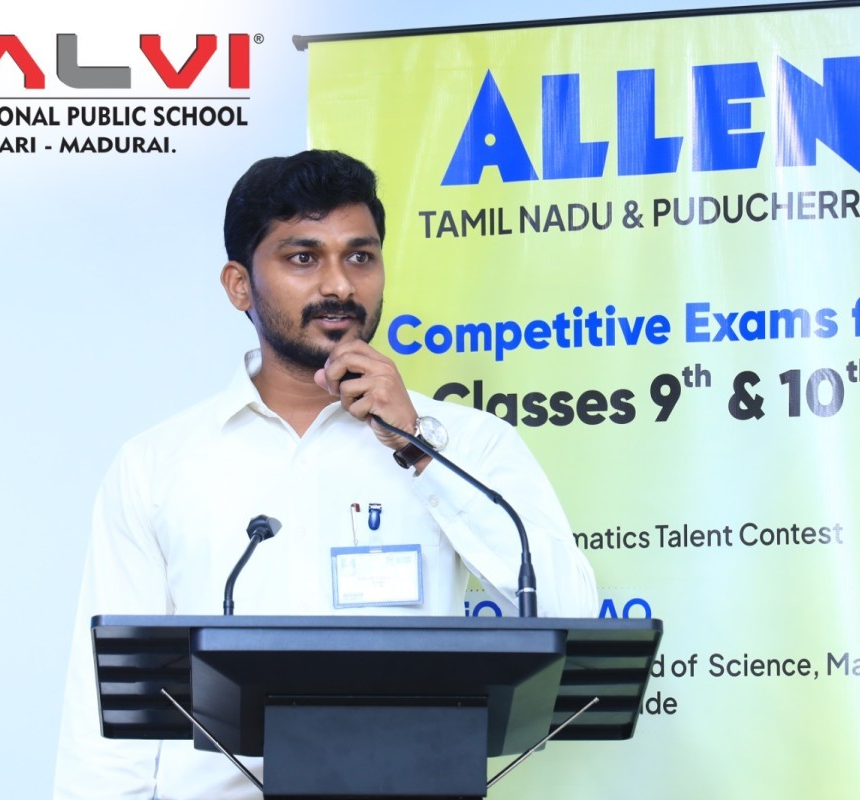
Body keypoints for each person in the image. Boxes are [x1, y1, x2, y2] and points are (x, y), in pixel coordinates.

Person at [53, 150, 598, 800]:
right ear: (238, 285)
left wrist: (418, 449)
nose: (338, 285)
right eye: (303, 258)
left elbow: (569, 616)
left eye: (359, 256)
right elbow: (103, 716)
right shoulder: (158, 463)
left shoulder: (467, 443)